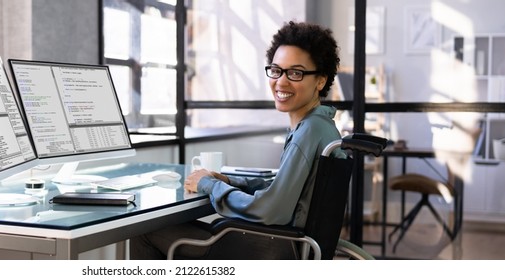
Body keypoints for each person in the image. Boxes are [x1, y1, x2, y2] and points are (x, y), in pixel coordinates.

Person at [129, 21, 346, 259]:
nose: (281, 82)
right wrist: (228, 180)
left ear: (320, 81)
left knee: (143, 231)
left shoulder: (308, 132)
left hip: (271, 251)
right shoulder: (324, 128)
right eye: (276, 70)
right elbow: (286, 192)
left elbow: (272, 210)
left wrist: (209, 185)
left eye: (295, 73)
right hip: (293, 248)